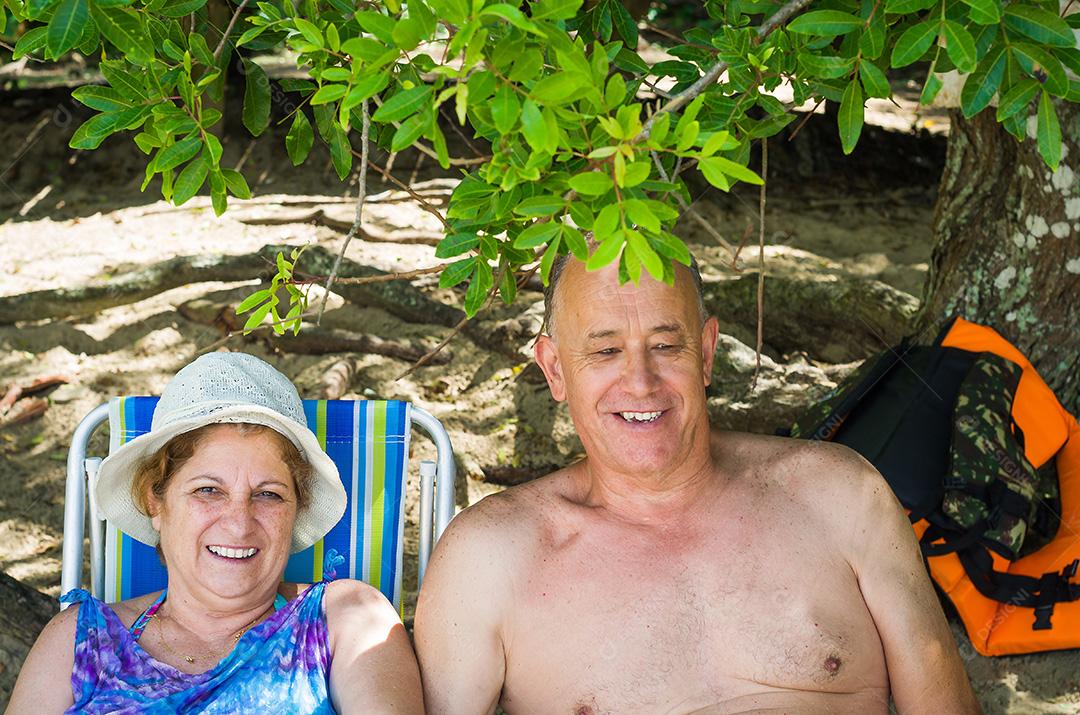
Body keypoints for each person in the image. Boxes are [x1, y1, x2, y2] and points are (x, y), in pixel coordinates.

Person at [414, 254, 981, 714]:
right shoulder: (490, 556)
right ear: (556, 368)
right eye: (606, 350)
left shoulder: (839, 495)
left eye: (665, 346)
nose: (640, 382)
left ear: (707, 352)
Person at [9, 352, 423, 714]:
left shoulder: (343, 621)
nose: (239, 522)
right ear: (156, 501)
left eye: (268, 494)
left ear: (296, 511)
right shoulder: (80, 640)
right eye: (208, 490)